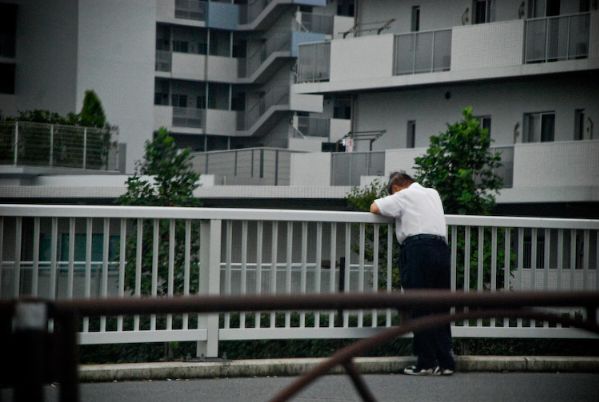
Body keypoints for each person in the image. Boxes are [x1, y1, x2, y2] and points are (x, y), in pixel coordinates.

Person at [370, 171, 455, 376]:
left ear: (396, 187)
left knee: (419, 305)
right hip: (441, 249)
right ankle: (446, 363)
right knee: (440, 305)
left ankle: (426, 363)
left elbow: (375, 207)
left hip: (418, 250)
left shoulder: (404, 195)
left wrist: (394, 202)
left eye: (392, 192)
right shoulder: (433, 193)